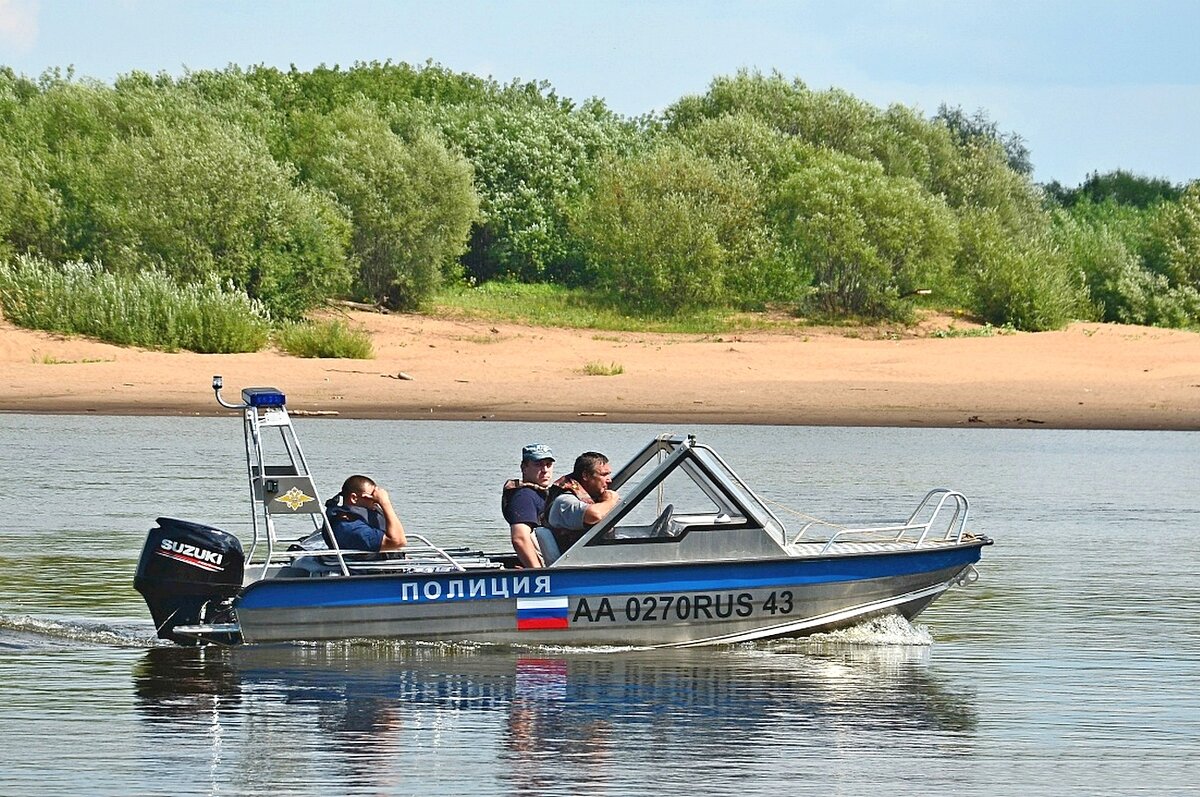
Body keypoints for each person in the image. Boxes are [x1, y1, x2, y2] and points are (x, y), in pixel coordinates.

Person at [542, 452, 620, 552]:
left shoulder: (591, 498)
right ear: (585, 475)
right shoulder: (564, 501)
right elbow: (594, 515)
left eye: (609, 475)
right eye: (604, 475)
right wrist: (611, 500)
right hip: (573, 562)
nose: (609, 480)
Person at [501, 444, 555, 568]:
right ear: (524, 467)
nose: (545, 470)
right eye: (538, 464)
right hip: (542, 572)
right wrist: (536, 572)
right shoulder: (524, 496)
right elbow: (519, 538)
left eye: (548, 464)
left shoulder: (541, 493)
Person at [324, 475, 407, 552]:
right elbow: (398, 541)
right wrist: (385, 503)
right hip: (362, 566)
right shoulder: (349, 526)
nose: (376, 501)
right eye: (371, 497)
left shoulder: (362, 519)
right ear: (354, 498)